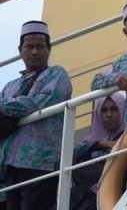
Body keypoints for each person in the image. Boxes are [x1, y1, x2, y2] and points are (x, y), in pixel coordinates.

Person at [0, 21, 73, 210]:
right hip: (9, 162)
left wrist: (4, 106)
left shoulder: (57, 75)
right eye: (29, 46)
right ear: (20, 50)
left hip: (41, 161)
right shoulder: (10, 86)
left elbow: (39, 102)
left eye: (40, 47)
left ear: (48, 49)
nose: (34, 51)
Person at [70, 92, 126, 204]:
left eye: (114, 109)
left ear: (123, 111)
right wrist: (99, 144)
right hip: (88, 193)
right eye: (104, 110)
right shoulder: (91, 140)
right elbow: (70, 157)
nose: (109, 115)